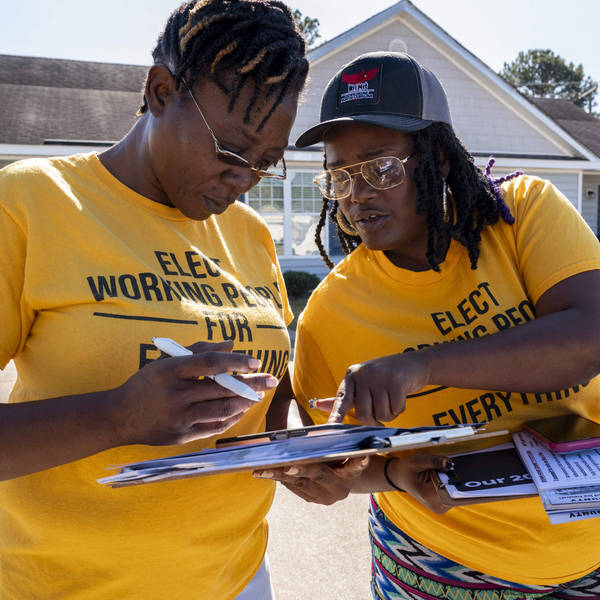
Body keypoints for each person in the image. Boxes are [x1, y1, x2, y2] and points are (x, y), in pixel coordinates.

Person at [254, 52, 600, 599]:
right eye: (339, 178)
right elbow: (349, 465)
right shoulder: (330, 314)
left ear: (438, 157)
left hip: (590, 548)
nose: (359, 194)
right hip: (441, 568)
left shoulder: (521, 214)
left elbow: (588, 338)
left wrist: (423, 365)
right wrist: (333, 478)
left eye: (380, 168)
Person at [0, 1, 308, 598]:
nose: (242, 181)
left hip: (237, 578)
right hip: (68, 584)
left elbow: (268, 400)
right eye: (231, 152)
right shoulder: (32, 203)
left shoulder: (249, 235)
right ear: (162, 90)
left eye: (266, 166)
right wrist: (117, 417)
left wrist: (307, 441)